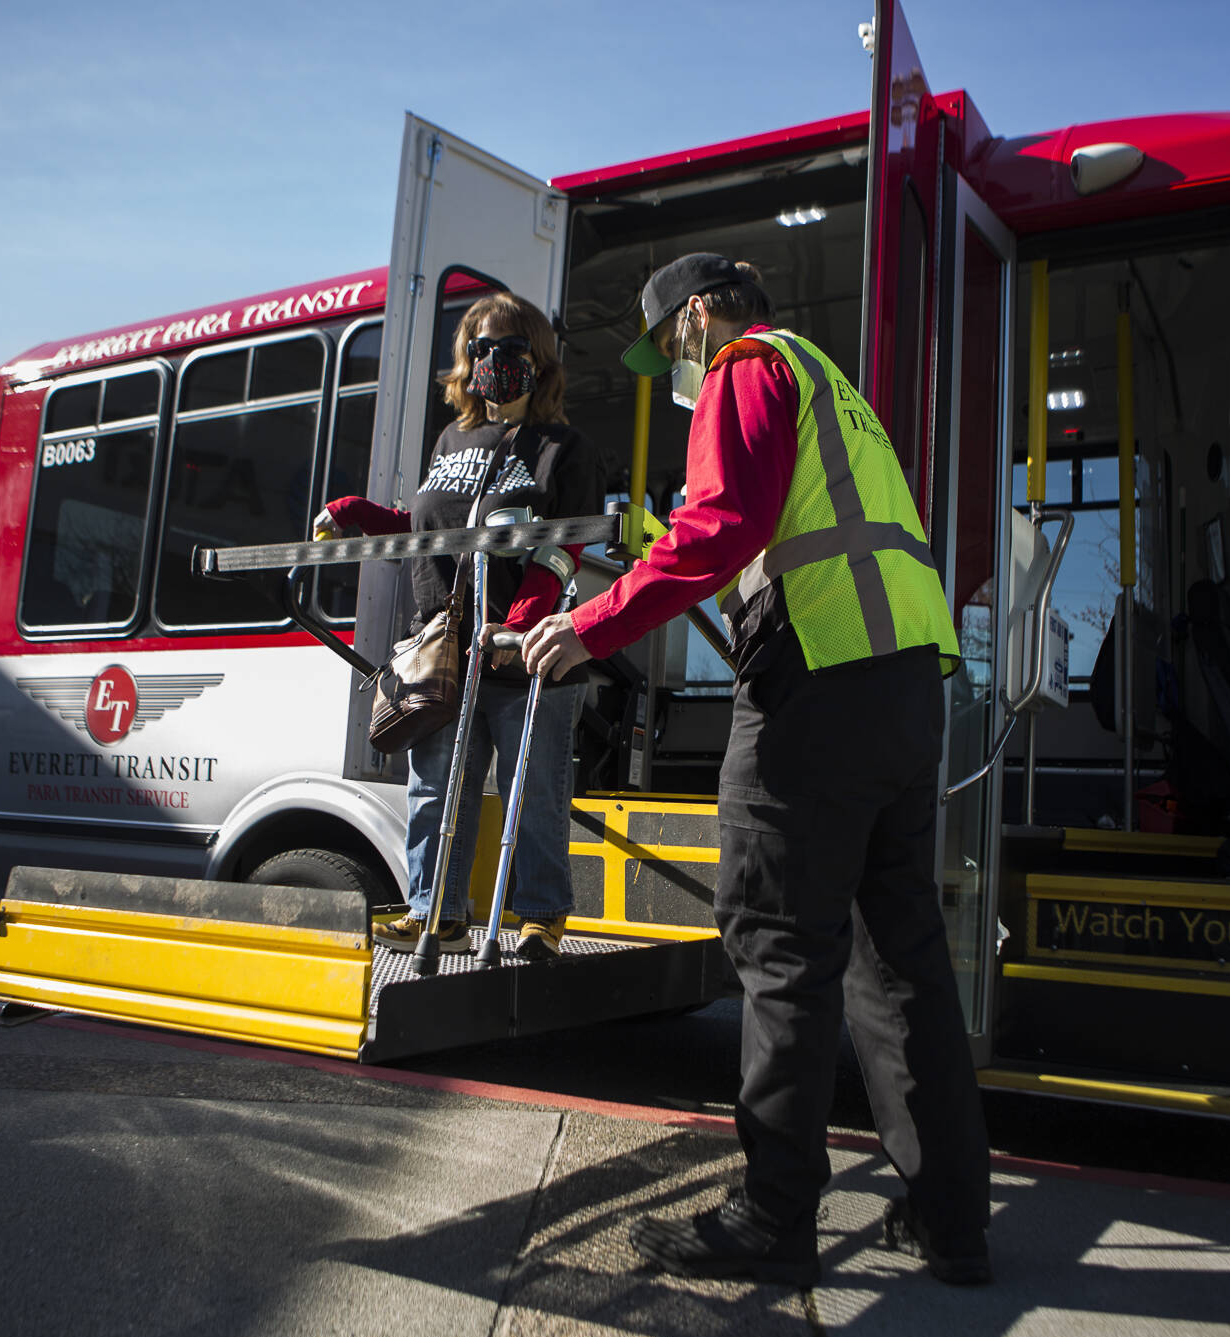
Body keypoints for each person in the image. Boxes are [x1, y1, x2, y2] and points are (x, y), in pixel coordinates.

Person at [520, 254, 993, 1285]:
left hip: (815, 691)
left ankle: (771, 1217)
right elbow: (765, 531)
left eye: (665, 348)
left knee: (779, 949)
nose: (669, 370)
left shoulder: (742, 367)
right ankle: (952, 1220)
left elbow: (722, 524)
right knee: (897, 958)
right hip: (906, 695)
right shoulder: (834, 388)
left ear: (696, 315)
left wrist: (593, 626)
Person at [318, 292, 601, 962]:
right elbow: (428, 529)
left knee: (534, 789)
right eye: (480, 348)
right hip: (448, 650)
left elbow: (566, 550)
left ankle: (538, 918)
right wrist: (360, 512)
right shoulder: (450, 441)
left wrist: (522, 617)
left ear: (537, 358)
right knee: (436, 786)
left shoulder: (565, 449)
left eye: (508, 347)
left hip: (528, 652)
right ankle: (435, 914)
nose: (493, 360)